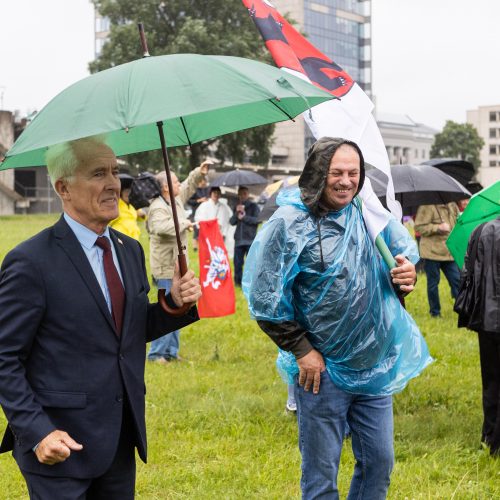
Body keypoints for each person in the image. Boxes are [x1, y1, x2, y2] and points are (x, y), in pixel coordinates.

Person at [0, 137, 201, 498]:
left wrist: (173, 304)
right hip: (60, 448)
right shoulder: (31, 262)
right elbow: (4, 358)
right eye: (98, 173)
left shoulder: (128, 250)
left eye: (114, 171)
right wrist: (37, 431)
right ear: (64, 187)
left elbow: (126, 332)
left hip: (120, 439)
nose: (113, 183)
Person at [243, 137, 431, 499]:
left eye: (353, 173)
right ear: (318, 173)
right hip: (322, 370)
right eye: (337, 172)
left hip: (374, 363)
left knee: (379, 463)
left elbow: (400, 263)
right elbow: (266, 297)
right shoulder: (291, 222)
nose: (346, 181)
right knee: (321, 475)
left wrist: (407, 275)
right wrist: (301, 349)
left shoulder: (370, 214)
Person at [147, 161, 210, 363]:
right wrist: (186, 223)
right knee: (166, 308)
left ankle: (171, 352)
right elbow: (159, 227)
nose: (179, 185)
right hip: (165, 268)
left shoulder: (176, 200)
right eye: (175, 181)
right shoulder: (157, 207)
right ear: (165, 187)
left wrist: (198, 172)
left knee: (180, 308)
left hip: (177, 267)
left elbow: (189, 185)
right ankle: (157, 353)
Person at [456, 217, 500, 456]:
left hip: (484, 317)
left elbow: (466, 272)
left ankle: (489, 435)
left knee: (491, 379)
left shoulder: (480, 229)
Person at [414, 202, 461, 317]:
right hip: (431, 253)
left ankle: (462, 310)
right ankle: (435, 313)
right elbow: (418, 227)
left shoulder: (452, 206)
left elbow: (458, 223)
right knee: (433, 284)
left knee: (457, 281)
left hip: (449, 251)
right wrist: (437, 228)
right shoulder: (426, 206)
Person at [229, 186, 260, 286]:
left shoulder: (253, 206)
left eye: (244, 193)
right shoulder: (237, 206)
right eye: (240, 194)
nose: (242, 196)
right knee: (237, 263)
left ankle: (250, 283)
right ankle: (238, 283)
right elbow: (232, 222)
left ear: (248, 194)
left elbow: (258, 220)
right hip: (238, 240)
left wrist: (244, 217)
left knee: (251, 264)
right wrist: (236, 213)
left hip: (250, 239)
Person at [109, 174, 144, 240]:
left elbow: (140, 218)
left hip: (134, 235)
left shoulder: (133, 205)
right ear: (121, 193)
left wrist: (142, 215)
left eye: (130, 192)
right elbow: (110, 220)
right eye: (126, 192)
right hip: (120, 235)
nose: (128, 194)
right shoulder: (115, 203)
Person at [187, 177, 210, 251]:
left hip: (205, 213)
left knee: (203, 231)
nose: (204, 184)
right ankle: (195, 247)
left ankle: (203, 246)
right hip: (196, 213)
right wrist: (199, 200)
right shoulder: (194, 191)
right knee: (196, 230)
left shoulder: (206, 190)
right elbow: (189, 201)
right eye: (203, 182)